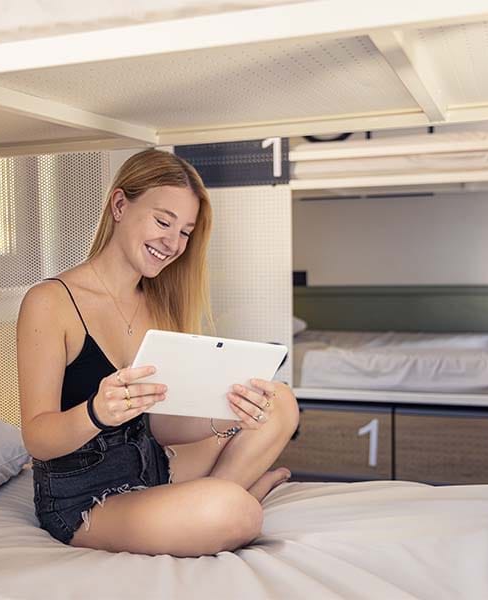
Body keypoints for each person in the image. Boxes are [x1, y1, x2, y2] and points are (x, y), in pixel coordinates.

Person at [17, 148, 299, 557]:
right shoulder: (50, 302)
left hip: (150, 464)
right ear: (119, 205)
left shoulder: (158, 301)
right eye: (163, 222)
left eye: (185, 232)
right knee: (236, 511)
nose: (173, 243)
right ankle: (236, 499)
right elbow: (37, 439)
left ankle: (205, 506)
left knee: (279, 401)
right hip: (86, 498)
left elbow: (161, 425)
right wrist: (96, 412)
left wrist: (227, 414)